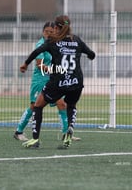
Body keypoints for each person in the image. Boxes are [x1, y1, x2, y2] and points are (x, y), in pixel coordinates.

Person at [19, 15, 95, 149]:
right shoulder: (76, 40)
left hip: (58, 81)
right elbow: (92, 54)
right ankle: (69, 130)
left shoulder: (53, 41)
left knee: (38, 105)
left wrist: (25, 64)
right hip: (76, 81)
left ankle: (35, 139)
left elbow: (37, 52)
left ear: (56, 27)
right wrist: (88, 55)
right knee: (71, 105)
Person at [14, 21, 73, 142]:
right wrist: (55, 70)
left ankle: (65, 134)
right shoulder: (40, 45)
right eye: (47, 32)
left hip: (52, 80)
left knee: (61, 104)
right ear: (43, 32)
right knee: (34, 106)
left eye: (52, 32)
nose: (49, 34)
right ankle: (18, 131)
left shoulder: (56, 44)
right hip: (40, 80)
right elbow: (39, 65)